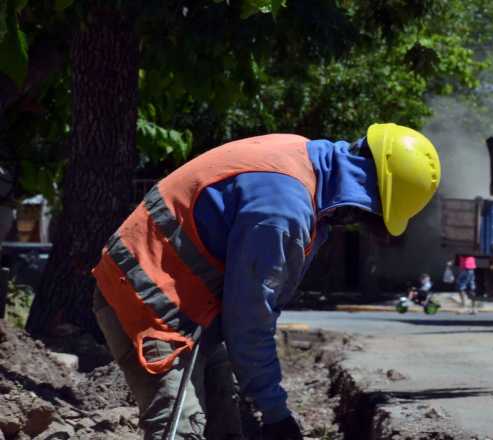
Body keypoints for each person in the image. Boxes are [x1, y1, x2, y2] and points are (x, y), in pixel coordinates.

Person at [90, 125, 440, 439]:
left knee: (224, 427)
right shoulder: (284, 211)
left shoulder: (300, 155)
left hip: (183, 301)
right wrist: (275, 414)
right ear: (368, 198)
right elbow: (248, 320)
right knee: (181, 428)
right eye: (370, 218)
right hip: (147, 296)